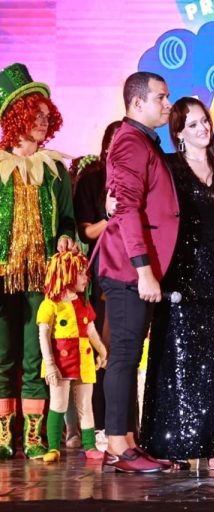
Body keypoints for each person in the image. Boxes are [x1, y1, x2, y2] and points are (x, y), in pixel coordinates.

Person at [139, 96, 214, 471]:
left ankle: (212, 445)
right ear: (178, 132)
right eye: (193, 124)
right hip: (177, 271)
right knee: (176, 358)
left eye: (205, 121)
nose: (203, 129)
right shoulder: (169, 166)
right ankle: (172, 443)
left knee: (212, 361)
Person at [92, 71, 179, 473]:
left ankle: (127, 440)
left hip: (136, 265)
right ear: (137, 102)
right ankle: (116, 444)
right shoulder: (129, 141)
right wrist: (143, 269)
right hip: (127, 265)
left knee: (129, 355)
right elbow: (126, 208)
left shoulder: (144, 140)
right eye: (161, 97)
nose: (168, 104)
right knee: (124, 354)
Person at [0, 63, 77, 459]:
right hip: (2, 275)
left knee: (35, 357)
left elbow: (67, 219)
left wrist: (65, 236)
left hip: (40, 277)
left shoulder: (54, 170)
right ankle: (3, 436)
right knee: (2, 356)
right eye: (36, 114)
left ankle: (32, 437)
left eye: (48, 115)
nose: (44, 122)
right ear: (17, 117)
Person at [72, 120, 122, 451]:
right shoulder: (92, 181)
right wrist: (111, 216)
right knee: (105, 349)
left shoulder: (141, 178)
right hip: (106, 269)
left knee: (130, 352)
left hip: (138, 270)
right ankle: (101, 425)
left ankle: (128, 426)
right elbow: (87, 232)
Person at [37, 251, 107, 462]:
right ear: (66, 274)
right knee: (58, 404)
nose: (86, 278)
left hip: (84, 361)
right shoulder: (50, 303)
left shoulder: (83, 302)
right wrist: (50, 364)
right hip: (61, 363)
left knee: (86, 405)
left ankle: (90, 446)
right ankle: (53, 448)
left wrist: (102, 351)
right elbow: (43, 335)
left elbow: (91, 330)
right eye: (81, 273)